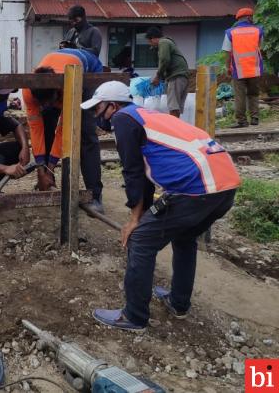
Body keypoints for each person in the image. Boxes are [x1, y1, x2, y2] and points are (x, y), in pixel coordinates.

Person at [84, 81, 240, 332]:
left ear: (112, 106)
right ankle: (179, 303)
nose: (96, 116)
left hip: (196, 189)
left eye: (97, 109)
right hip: (224, 186)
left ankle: (134, 316)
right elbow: (145, 178)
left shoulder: (123, 119)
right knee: (185, 237)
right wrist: (142, 212)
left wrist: (135, 220)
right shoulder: (146, 115)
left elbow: (132, 172)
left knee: (141, 240)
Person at [22, 48, 104, 216]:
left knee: (85, 134)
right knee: (46, 126)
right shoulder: (28, 91)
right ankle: (46, 182)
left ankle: (95, 196)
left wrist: (50, 167)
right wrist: (40, 169)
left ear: (56, 93)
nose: (46, 106)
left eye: (49, 102)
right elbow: (36, 130)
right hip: (59, 66)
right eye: (42, 104)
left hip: (87, 71)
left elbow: (64, 130)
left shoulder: (69, 87)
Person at [223, 7, 264, 128]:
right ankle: (255, 118)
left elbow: (227, 52)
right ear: (249, 17)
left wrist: (228, 68)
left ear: (238, 19)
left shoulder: (230, 32)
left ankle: (241, 121)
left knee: (240, 95)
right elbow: (260, 48)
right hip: (254, 69)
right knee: (253, 94)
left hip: (238, 70)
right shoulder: (258, 31)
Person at [146, 27, 189, 118]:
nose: (151, 45)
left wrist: (158, 76)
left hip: (176, 76)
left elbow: (164, 59)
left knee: (173, 107)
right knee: (175, 107)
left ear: (153, 38)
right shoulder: (167, 42)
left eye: (150, 42)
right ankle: (177, 128)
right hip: (181, 76)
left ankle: (173, 129)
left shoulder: (163, 42)